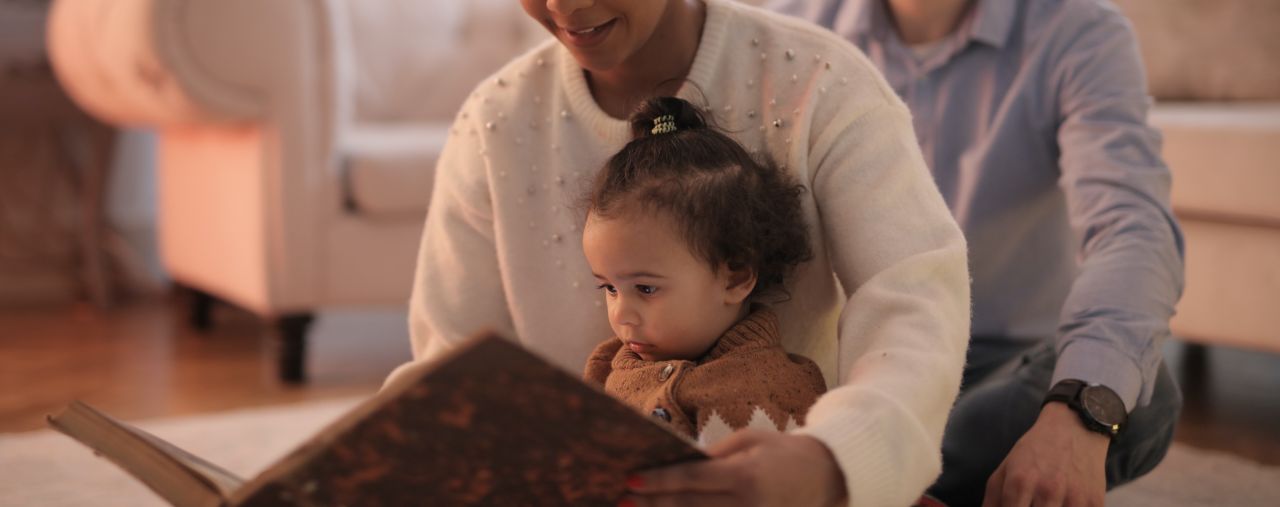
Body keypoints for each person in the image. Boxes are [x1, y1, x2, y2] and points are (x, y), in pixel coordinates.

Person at [386, 0, 972, 505]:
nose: (563, 6)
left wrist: (832, 461)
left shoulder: (823, 79)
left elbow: (913, 296)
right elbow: (451, 367)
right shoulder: (493, 123)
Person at [771, 0, 1186, 505]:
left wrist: (1076, 413)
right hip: (839, 365)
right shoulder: (788, 27)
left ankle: (843, 478)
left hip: (995, 373)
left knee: (1131, 394)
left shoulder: (1079, 30)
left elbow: (1132, 226)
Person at [579, 96, 827, 445]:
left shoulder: (776, 389)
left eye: (646, 289)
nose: (622, 315)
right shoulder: (607, 366)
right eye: (609, 289)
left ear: (736, 277)